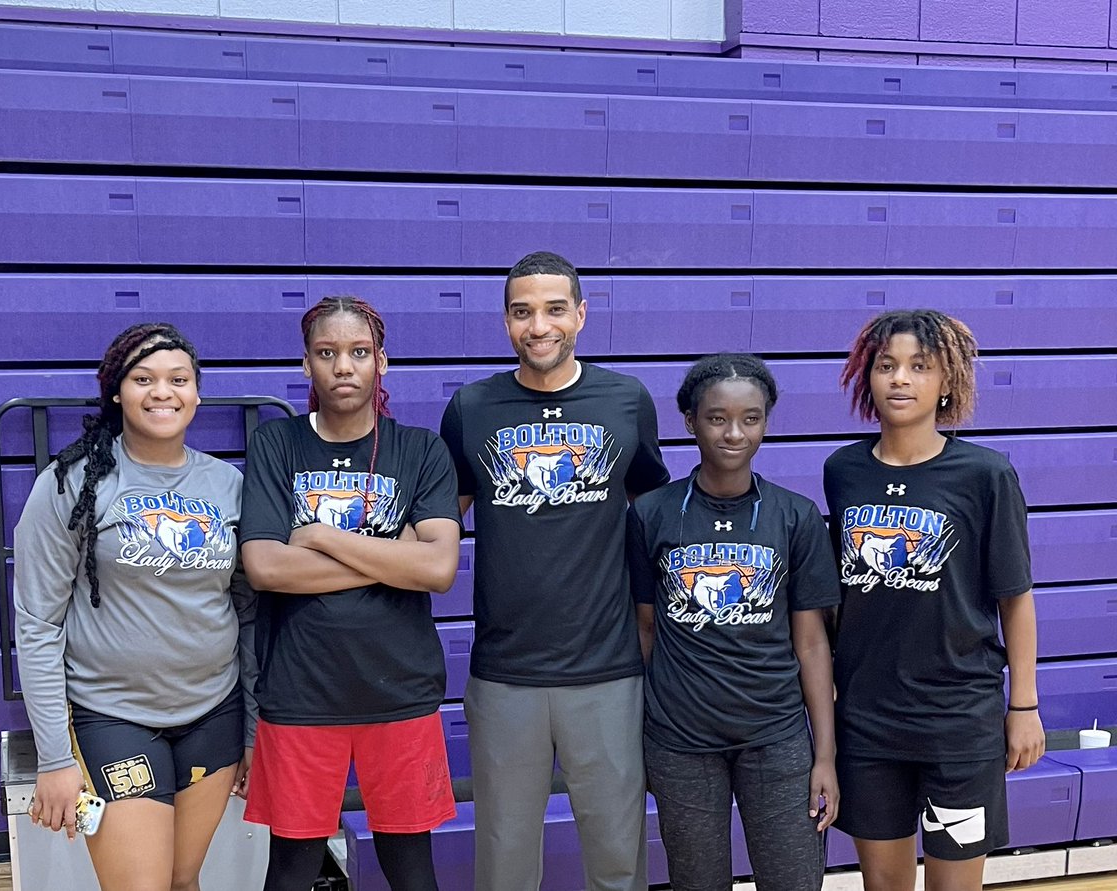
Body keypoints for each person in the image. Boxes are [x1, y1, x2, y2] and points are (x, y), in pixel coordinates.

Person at [439, 251, 670, 891]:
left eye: (553, 309)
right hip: (506, 671)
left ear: (581, 314)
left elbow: (654, 520)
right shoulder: (472, 408)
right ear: (506, 322)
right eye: (522, 312)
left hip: (607, 668)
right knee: (504, 860)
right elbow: (436, 531)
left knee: (618, 856)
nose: (538, 326)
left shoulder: (626, 400)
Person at [15, 323, 255, 891]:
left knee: (183, 880)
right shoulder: (71, 484)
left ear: (197, 393)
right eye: (143, 379)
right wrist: (54, 759)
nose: (162, 392)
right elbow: (37, 623)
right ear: (117, 391)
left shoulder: (227, 484)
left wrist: (253, 730)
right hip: (114, 718)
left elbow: (247, 613)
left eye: (178, 379)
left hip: (214, 714)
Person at [239, 295, 461, 891]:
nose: (344, 367)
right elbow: (264, 566)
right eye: (327, 353)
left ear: (381, 363)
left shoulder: (419, 450)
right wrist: (395, 556)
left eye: (359, 353)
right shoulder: (276, 445)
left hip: (400, 688)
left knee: (412, 868)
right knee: (291, 869)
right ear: (307, 364)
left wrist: (316, 537)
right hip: (301, 689)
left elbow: (439, 570)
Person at [823, 309, 1045, 891]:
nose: (901, 379)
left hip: (959, 723)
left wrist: (1023, 707)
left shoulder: (985, 474)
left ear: (947, 382)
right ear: (865, 378)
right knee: (884, 886)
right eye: (887, 366)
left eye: (920, 367)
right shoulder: (843, 470)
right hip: (869, 720)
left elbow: (1015, 600)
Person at [626, 354, 840, 891]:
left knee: (794, 881)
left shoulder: (795, 516)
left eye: (751, 418)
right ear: (689, 421)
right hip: (680, 741)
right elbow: (643, 631)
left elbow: (812, 645)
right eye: (717, 418)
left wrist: (825, 755)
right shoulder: (651, 514)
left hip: (777, 736)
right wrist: (640, 736)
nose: (734, 432)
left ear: (766, 422)